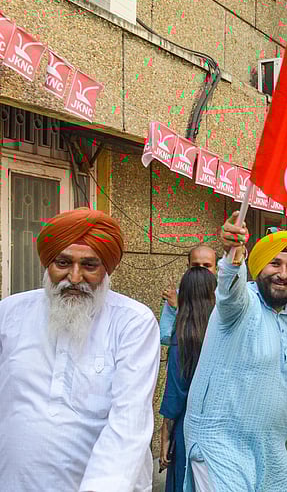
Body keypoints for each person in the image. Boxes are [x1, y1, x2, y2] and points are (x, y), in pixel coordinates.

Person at [182, 212, 287, 491]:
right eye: (275, 263)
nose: (283, 274)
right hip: (220, 447)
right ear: (258, 267)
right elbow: (229, 291)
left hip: (270, 450)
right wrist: (234, 254)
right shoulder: (241, 304)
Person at [0, 208, 159, 490]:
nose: (74, 277)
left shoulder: (133, 322)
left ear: (106, 269)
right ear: (47, 263)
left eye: (89, 265)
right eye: (63, 263)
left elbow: (128, 422)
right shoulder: (10, 312)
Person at [158, 267, 217, 492]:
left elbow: (176, 392)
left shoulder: (183, 338)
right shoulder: (226, 335)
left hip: (189, 428)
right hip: (223, 426)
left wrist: (165, 435)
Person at [159, 244, 217, 345]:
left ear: (216, 269)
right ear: (188, 267)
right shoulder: (176, 295)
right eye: (195, 266)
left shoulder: (225, 297)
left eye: (207, 266)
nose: (201, 270)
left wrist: (179, 309)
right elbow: (165, 336)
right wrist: (176, 309)